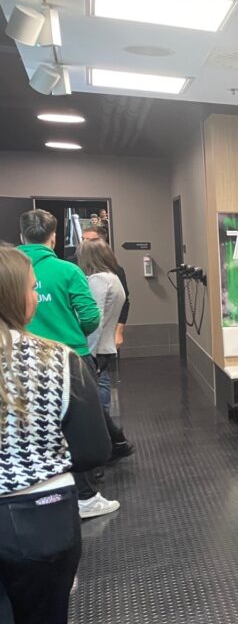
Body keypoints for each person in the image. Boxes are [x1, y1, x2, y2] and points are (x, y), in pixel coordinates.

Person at [0, 244, 111, 624]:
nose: (35, 296)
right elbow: (93, 450)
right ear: (17, 298)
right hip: (41, 520)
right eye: (31, 289)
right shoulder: (59, 360)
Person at [19, 209, 127, 519]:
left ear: (22, 236)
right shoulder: (67, 271)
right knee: (76, 425)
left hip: (20, 357)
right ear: (53, 237)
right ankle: (85, 496)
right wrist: (70, 332)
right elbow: (91, 316)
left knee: (29, 423)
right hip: (70, 357)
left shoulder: (10, 269)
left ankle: (37, 494)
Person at [77, 239, 127, 412]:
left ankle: (103, 423)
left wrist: (88, 354)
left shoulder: (98, 280)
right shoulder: (113, 278)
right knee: (103, 382)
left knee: (98, 389)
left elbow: (95, 319)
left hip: (95, 347)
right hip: (105, 345)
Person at [81, 224, 129, 352]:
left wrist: (119, 331)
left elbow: (96, 317)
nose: (83, 244)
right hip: (100, 345)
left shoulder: (104, 277)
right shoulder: (72, 267)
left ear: (101, 244)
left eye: (89, 240)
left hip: (97, 346)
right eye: (82, 239)